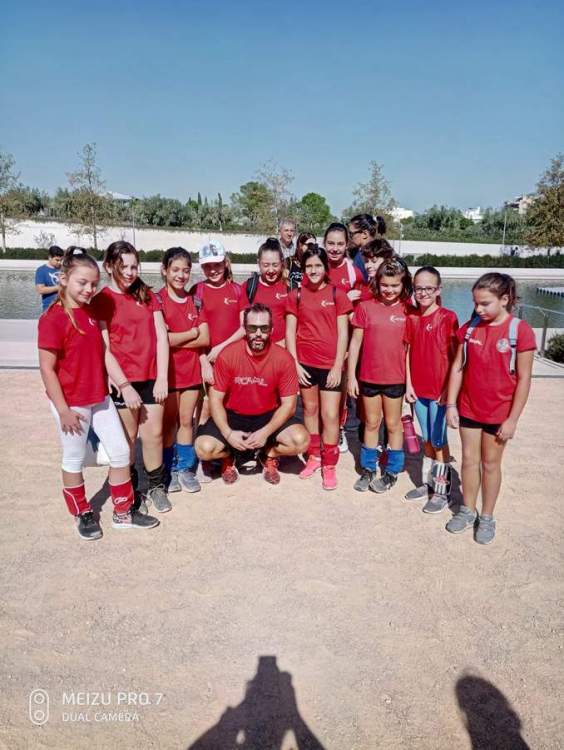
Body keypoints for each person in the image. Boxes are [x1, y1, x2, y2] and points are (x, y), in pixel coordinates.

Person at [38, 247, 159, 539]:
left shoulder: (91, 311)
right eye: (82, 283)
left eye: (93, 284)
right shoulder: (52, 318)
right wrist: (63, 410)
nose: (89, 289)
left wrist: (121, 382)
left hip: (100, 397)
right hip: (72, 402)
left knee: (121, 452)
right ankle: (82, 513)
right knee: (74, 458)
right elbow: (47, 369)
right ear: (64, 279)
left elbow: (104, 352)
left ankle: (123, 512)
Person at [445, 273, 535, 544]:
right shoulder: (470, 328)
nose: (478, 309)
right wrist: (451, 404)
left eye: (485, 303)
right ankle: (467, 509)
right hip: (469, 408)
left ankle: (486, 516)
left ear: (505, 299)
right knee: (469, 461)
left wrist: (513, 419)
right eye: (475, 303)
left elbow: (524, 379)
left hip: (499, 412)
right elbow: (458, 367)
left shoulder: (519, 331)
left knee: (491, 464)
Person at [91, 241, 172, 513]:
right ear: (109, 266)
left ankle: (156, 486)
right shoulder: (102, 300)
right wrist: (124, 385)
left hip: (151, 376)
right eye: (122, 266)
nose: (129, 272)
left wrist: (162, 377)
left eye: (134, 266)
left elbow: (161, 337)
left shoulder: (148, 295)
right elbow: (104, 347)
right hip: (122, 380)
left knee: (154, 434)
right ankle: (131, 488)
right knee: (127, 438)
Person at [195, 303, 309, 485]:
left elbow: (289, 406)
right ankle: (229, 456)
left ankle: (268, 454)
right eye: (252, 328)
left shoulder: (283, 358)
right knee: (203, 448)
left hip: (268, 415)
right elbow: (215, 399)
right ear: (245, 329)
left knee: (300, 441)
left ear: (271, 330)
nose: (258, 334)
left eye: (264, 328)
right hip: (233, 416)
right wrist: (228, 433)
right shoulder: (228, 355)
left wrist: (265, 432)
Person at [286, 245, 352, 490]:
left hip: (330, 365)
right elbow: (290, 332)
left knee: (330, 415)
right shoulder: (296, 295)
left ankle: (330, 464)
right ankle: (314, 455)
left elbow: (343, 333)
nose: (313, 271)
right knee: (310, 410)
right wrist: (295, 363)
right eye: (309, 266)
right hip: (305, 364)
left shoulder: (337, 294)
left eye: (317, 266)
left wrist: (337, 365)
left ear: (326, 268)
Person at [348, 257, 413, 493]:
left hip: (395, 379)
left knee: (393, 424)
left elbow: (409, 351)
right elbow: (355, 344)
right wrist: (351, 377)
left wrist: (410, 383)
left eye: (395, 285)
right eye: (385, 285)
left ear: (403, 284)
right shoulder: (366, 307)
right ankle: (368, 469)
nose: (389, 290)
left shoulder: (407, 310)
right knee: (372, 423)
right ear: (377, 283)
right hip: (369, 377)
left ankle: (392, 471)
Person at [404, 267, 459, 513]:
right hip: (419, 392)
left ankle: (442, 491)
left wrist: (449, 392)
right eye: (418, 288)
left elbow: (456, 358)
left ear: (438, 290)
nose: (423, 293)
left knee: (438, 440)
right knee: (426, 438)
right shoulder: (413, 318)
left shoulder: (448, 317)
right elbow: (407, 352)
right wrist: (409, 384)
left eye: (429, 288)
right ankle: (428, 483)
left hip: (439, 393)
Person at [189, 240, 242, 482]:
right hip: (207, 362)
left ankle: (228, 457)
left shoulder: (237, 291)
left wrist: (220, 348)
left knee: (230, 407)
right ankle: (205, 460)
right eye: (208, 266)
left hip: (232, 361)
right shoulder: (197, 291)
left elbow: (244, 327)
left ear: (225, 263)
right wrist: (203, 361)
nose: (213, 270)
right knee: (206, 408)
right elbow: (195, 329)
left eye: (217, 265)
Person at [158, 247, 210, 494]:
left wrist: (174, 339)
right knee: (169, 424)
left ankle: (185, 468)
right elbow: (161, 340)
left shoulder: (195, 302)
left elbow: (205, 338)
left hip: (190, 373)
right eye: (175, 270)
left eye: (186, 270)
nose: (181, 275)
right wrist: (191, 333)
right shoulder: (157, 301)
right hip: (167, 374)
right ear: (164, 270)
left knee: (187, 421)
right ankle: (168, 468)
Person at [239, 238, 289, 347]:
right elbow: (243, 325)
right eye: (266, 265)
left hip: (282, 348)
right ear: (258, 263)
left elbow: (298, 326)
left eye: (275, 265)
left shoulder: (289, 287)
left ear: (282, 262)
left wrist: (281, 345)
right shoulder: (249, 286)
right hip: (256, 348)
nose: (271, 270)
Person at [347, 214, 387, 281]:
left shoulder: (368, 256)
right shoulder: (360, 253)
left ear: (364, 234)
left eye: (351, 234)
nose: (349, 237)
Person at [35, 245, 64, 312]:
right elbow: (40, 290)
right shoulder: (41, 270)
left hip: (65, 307)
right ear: (50, 257)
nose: (59, 262)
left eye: (61, 260)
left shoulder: (64, 268)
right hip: (49, 308)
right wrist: (59, 287)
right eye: (57, 260)